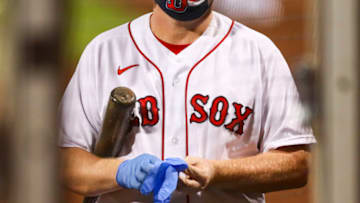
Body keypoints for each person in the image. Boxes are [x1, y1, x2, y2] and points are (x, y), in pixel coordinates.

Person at [59, 0, 316, 202]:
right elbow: (66, 159)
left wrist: (218, 173)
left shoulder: (259, 52)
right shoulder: (105, 51)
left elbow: (296, 163)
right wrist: (120, 171)